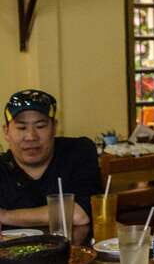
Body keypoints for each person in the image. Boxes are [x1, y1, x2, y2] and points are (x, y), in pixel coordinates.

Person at [0, 89, 101, 229]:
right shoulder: (3, 168)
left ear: (54, 127)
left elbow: (79, 215)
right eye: (21, 127)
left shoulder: (78, 151)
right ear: (6, 131)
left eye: (40, 126)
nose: (31, 136)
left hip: (74, 249)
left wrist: (5, 216)